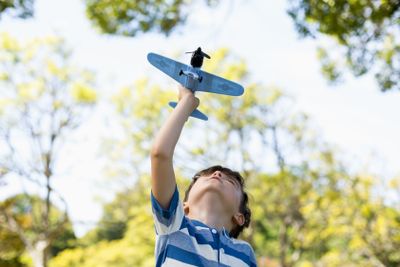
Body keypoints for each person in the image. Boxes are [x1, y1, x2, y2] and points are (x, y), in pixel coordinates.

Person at [150, 85, 257, 267]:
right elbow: (160, 154)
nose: (216, 174)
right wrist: (186, 102)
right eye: (205, 176)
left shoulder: (244, 253)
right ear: (184, 207)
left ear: (240, 217)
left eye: (230, 181)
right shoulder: (174, 226)